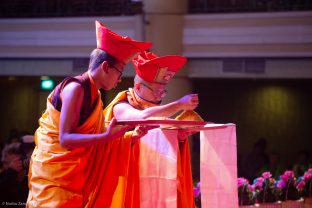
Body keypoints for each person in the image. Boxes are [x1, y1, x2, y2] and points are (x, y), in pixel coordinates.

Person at [27, 20, 152, 208]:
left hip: (76, 177)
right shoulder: (75, 89)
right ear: (105, 67)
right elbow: (66, 139)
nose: (119, 79)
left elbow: (94, 137)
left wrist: (129, 136)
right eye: (119, 72)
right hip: (55, 177)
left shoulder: (95, 95)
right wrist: (106, 136)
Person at [104, 51, 200, 207]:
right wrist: (179, 105)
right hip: (129, 179)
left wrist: (180, 137)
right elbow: (142, 117)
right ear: (138, 86)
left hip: (157, 179)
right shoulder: (121, 106)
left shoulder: (158, 111)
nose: (159, 96)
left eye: (163, 91)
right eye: (156, 91)